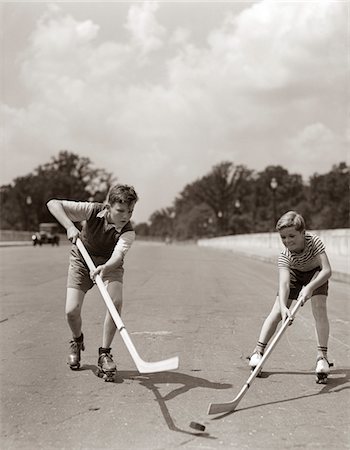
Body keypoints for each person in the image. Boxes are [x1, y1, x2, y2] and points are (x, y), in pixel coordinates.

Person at [47, 184, 138, 381]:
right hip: (82, 259)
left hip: (109, 265)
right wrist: (70, 226)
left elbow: (117, 255)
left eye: (130, 211)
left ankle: (104, 353)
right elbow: (53, 204)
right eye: (120, 211)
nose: (125, 216)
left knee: (115, 304)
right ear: (108, 207)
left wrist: (105, 268)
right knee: (71, 311)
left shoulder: (128, 232)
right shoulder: (92, 210)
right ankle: (77, 341)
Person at [248, 210, 332, 383]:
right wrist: (285, 307)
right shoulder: (285, 256)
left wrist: (309, 287)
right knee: (278, 310)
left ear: (303, 232)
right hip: (295, 273)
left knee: (319, 308)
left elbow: (327, 270)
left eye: (292, 236)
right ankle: (258, 351)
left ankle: (322, 357)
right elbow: (284, 284)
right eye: (283, 238)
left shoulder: (314, 242)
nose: (287, 241)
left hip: (316, 274)